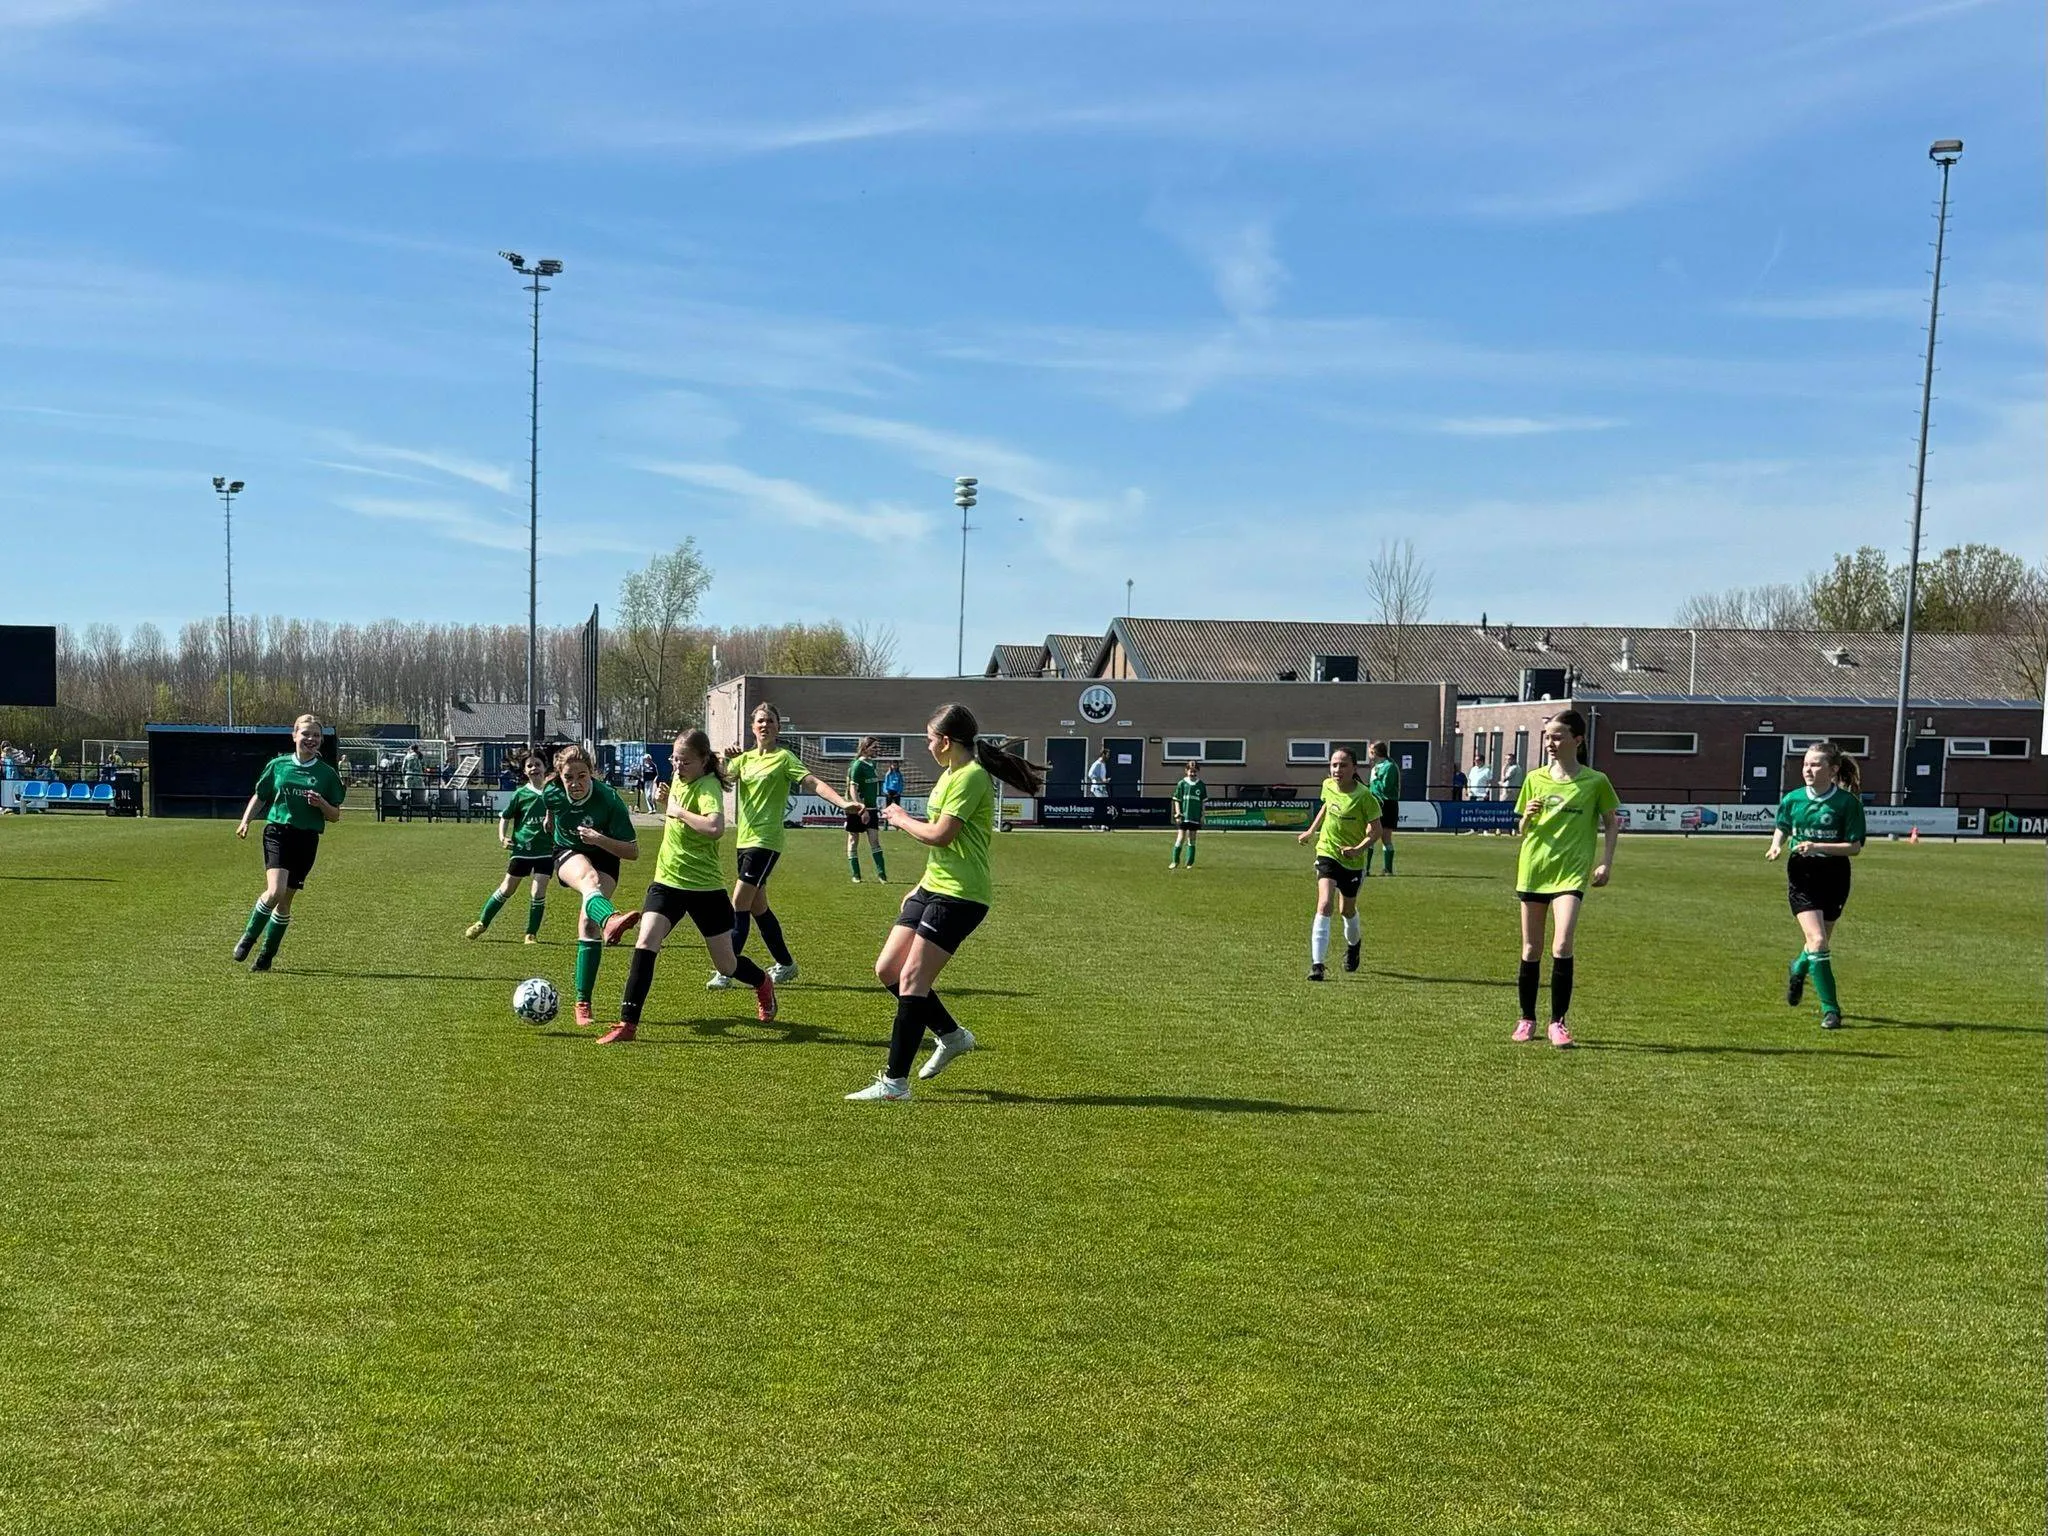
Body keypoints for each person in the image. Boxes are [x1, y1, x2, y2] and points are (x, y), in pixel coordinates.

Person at [846, 702, 1043, 1102]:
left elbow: (941, 835)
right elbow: (940, 850)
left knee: (913, 980)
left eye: (930, 738)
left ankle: (894, 1084)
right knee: (887, 970)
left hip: (961, 894)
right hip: (933, 887)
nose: (928, 745)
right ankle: (952, 1036)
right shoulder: (949, 774)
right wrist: (919, 884)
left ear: (947, 741)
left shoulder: (971, 778)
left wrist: (899, 819)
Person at [601, 729, 778, 1045]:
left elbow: (714, 827)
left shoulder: (708, 786)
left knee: (726, 964)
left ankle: (762, 982)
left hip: (704, 889)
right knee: (646, 941)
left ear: (702, 761)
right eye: (674, 758)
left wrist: (677, 810)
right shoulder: (679, 779)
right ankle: (627, 1025)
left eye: (683, 761)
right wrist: (667, 799)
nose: (676, 765)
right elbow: (677, 810)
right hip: (667, 881)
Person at [707, 702, 861, 990]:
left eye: (771, 721)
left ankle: (727, 970)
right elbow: (720, 781)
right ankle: (786, 964)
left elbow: (812, 782)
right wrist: (724, 761)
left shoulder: (784, 758)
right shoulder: (744, 760)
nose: (765, 725)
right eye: (760, 721)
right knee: (757, 907)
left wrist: (843, 803)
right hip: (744, 840)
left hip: (766, 841)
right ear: (752, 728)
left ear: (778, 727)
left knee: (738, 902)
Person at [1511, 709, 1620, 1048]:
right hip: (1534, 870)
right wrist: (1526, 817)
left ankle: (1558, 1023)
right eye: (1548, 737)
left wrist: (1605, 863)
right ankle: (1527, 1019)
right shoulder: (1534, 779)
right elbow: (1521, 830)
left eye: (1557, 737)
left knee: (1562, 945)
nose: (1551, 743)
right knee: (1531, 949)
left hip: (1570, 874)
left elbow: (1612, 822)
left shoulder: (1595, 781)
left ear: (1578, 739)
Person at [231, 713, 345, 972]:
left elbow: (335, 815)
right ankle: (248, 938)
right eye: (305, 734)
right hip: (278, 832)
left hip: (306, 839)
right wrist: (245, 821)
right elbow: (261, 796)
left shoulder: (326, 774)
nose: (311, 739)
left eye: (316, 735)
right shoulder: (278, 765)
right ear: (294, 736)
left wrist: (322, 804)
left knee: (285, 902)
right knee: (275, 891)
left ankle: (266, 955)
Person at [1767, 741, 1866, 1030]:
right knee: (1819, 941)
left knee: (1818, 944)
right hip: (1802, 874)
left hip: (1834, 874)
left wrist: (1818, 845)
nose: (1808, 769)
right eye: (1806, 763)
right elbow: (1783, 826)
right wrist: (1776, 845)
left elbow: (1854, 847)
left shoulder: (1847, 804)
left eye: (1815, 764)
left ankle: (1798, 968)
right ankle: (1831, 1010)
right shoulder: (1793, 798)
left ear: (1833, 769)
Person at [544, 743, 642, 1029]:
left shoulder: (609, 799)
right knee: (590, 881)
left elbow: (633, 851)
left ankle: (582, 1002)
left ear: (592, 773)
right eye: (568, 777)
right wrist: (550, 821)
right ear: (559, 777)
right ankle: (610, 919)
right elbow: (549, 806)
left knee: (588, 923)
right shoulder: (553, 792)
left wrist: (599, 839)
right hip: (567, 852)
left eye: (582, 776)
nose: (575, 783)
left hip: (606, 853)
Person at [1295, 748, 1380, 981]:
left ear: (1354, 768)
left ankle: (1354, 946)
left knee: (1347, 910)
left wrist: (1358, 849)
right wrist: (1311, 831)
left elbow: (1376, 831)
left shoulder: (1365, 796)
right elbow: (1325, 806)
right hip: (1327, 851)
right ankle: (1317, 965)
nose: (1337, 770)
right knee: (1324, 904)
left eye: (1343, 765)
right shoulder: (1328, 786)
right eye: (1334, 765)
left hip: (1353, 861)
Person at [467, 751, 554, 944]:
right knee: (506, 888)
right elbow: (505, 817)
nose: (534, 768)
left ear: (545, 767)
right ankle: (482, 922)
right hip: (522, 850)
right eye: (529, 766)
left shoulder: (553, 793)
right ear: (524, 771)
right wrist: (502, 837)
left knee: (538, 891)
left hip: (546, 851)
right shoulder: (520, 794)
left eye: (537, 764)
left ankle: (531, 934)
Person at [845, 736, 888, 883]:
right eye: (874, 747)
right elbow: (853, 788)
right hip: (857, 809)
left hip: (872, 808)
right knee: (853, 840)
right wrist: (860, 808)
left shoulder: (872, 764)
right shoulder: (857, 765)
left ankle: (882, 875)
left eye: (877, 747)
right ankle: (856, 874)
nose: (877, 750)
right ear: (865, 748)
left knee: (874, 840)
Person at [1366, 742, 1401, 876]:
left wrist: (1377, 779)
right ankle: (1366, 868)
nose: (1369, 756)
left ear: (1375, 752)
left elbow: (1386, 787)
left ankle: (1387, 870)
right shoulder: (1375, 767)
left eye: (1370, 752)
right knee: (1369, 834)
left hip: (1386, 803)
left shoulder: (1389, 767)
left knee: (1385, 837)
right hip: (1375, 803)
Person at [1169, 760, 1207, 869]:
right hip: (1184, 816)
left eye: (1195, 771)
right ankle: (1175, 861)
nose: (1193, 773)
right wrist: (1178, 813)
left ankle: (1189, 863)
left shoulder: (1201, 785)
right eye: (1191, 771)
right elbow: (1177, 799)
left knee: (1192, 838)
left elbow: (1203, 802)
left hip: (1195, 816)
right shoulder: (1182, 784)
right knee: (1180, 837)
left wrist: (1203, 815)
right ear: (1186, 771)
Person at [400, 744, 426, 820]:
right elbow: (424, 766)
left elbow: (403, 768)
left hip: (409, 776)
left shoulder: (407, 757)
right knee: (419, 793)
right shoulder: (420, 756)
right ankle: (418, 809)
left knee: (408, 793)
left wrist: (404, 777)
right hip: (418, 777)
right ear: (417, 749)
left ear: (411, 749)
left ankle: (407, 810)